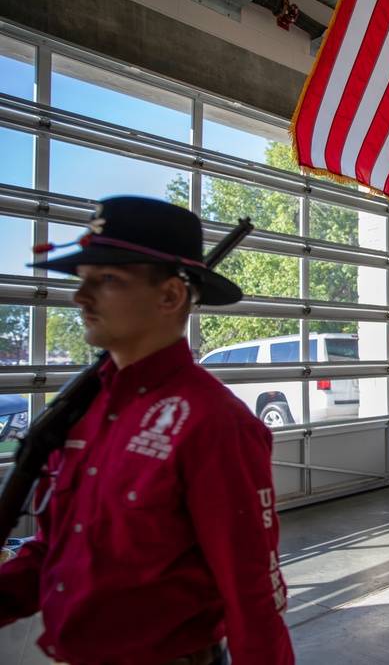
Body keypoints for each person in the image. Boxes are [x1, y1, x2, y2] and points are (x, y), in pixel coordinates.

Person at [0, 197, 295, 664]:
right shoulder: (83, 414)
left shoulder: (215, 424)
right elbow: (54, 552)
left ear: (171, 296)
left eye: (108, 279)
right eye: (83, 280)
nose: (81, 296)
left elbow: (251, 593)